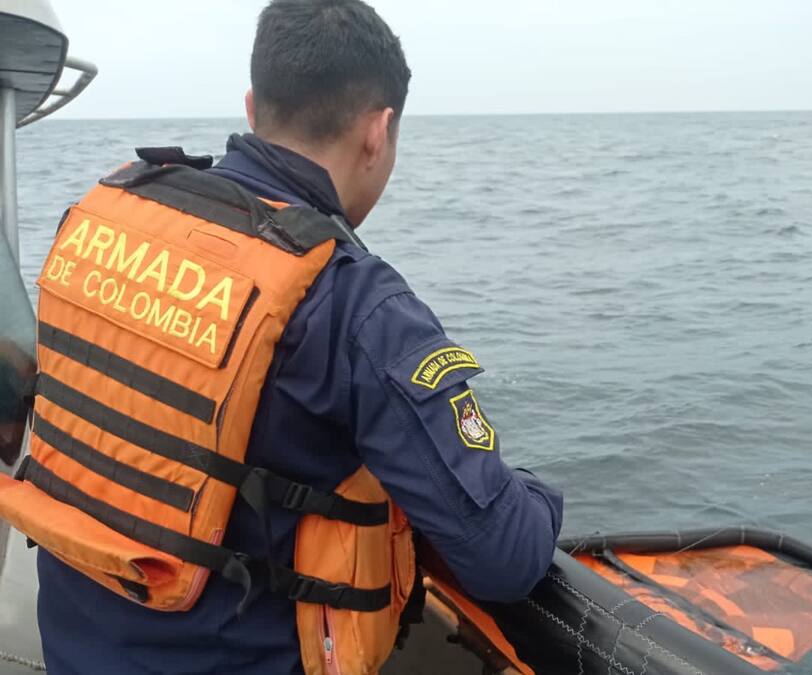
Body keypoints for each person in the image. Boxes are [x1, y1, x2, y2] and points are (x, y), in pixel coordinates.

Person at [25, 1, 564, 673]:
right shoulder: (358, 306)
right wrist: (536, 494)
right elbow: (503, 555)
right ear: (378, 132)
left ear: (253, 108)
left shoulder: (99, 221)